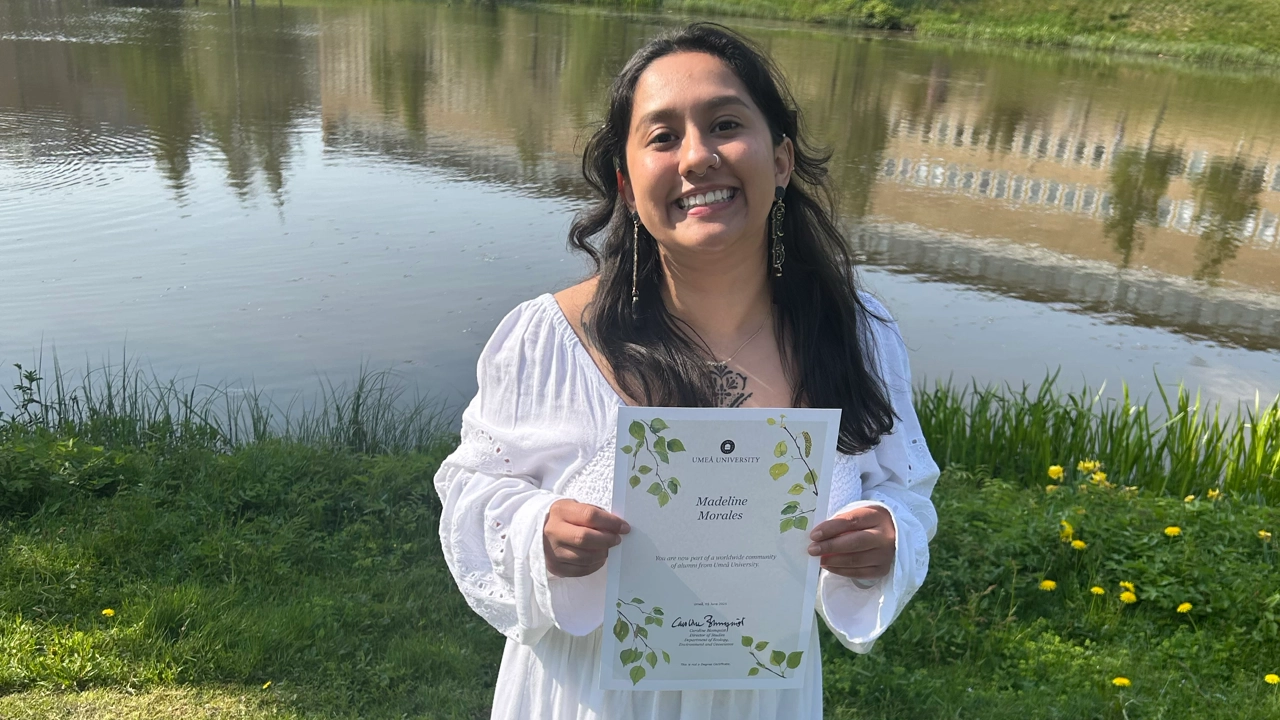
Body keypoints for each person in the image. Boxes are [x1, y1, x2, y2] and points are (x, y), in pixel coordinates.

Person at [434, 22, 938, 720]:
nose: (698, 157)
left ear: (782, 158)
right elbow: (470, 488)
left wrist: (886, 535)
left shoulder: (857, 335)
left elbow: (908, 490)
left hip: (762, 700)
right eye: (662, 136)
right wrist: (537, 533)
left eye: (726, 124)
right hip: (583, 698)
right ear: (626, 181)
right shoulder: (550, 340)